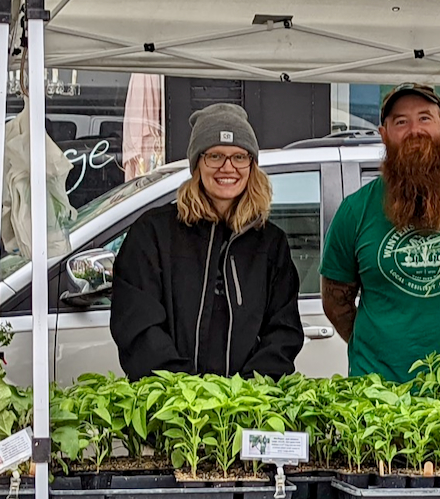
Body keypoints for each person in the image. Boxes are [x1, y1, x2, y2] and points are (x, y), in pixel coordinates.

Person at [319, 84, 440, 382]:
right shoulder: (355, 211)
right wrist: (376, 347)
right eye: (401, 122)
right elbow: (335, 299)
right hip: (377, 390)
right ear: (383, 134)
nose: (414, 130)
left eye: (424, 118)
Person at [110, 103, 303, 379]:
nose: (228, 167)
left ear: (251, 165)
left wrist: (246, 395)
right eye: (215, 155)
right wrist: (185, 392)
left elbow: (283, 331)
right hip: (171, 408)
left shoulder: (271, 243)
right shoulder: (152, 233)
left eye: (239, 157)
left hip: (249, 407)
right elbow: (138, 324)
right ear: (197, 163)